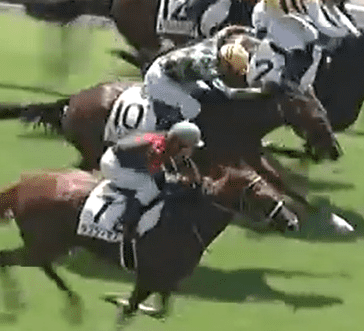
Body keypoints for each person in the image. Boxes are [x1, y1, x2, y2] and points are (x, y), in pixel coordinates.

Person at [132, 29, 272, 138]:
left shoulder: (216, 48)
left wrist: (248, 31)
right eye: (235, 71)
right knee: (192, 107)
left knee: (205, 93)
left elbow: (224, 33)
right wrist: (258, 92)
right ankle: (165, 135)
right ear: (228, 65)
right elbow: (229, 92)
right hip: (160, 79)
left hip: (178, 75)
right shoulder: (208, 67)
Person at [99, 120, 204, 258]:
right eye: (189, 147)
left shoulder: (168, 139)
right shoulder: (157, 148)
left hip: (128, 160)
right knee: (149, 188)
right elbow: (157, 176)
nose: (191, 151)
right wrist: (176, 181)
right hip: (113, 165)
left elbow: (179, 164)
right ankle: (127, 226)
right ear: (178, 143)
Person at [248, 0, 359, 92]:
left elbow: (336, 13)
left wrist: (354, 30)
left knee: (310, 38)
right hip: (267, 17)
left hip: (280, 15)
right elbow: (322, 25)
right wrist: (343, 33)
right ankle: (286, 82)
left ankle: (294, 79)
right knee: (300, 47)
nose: (335, 3)